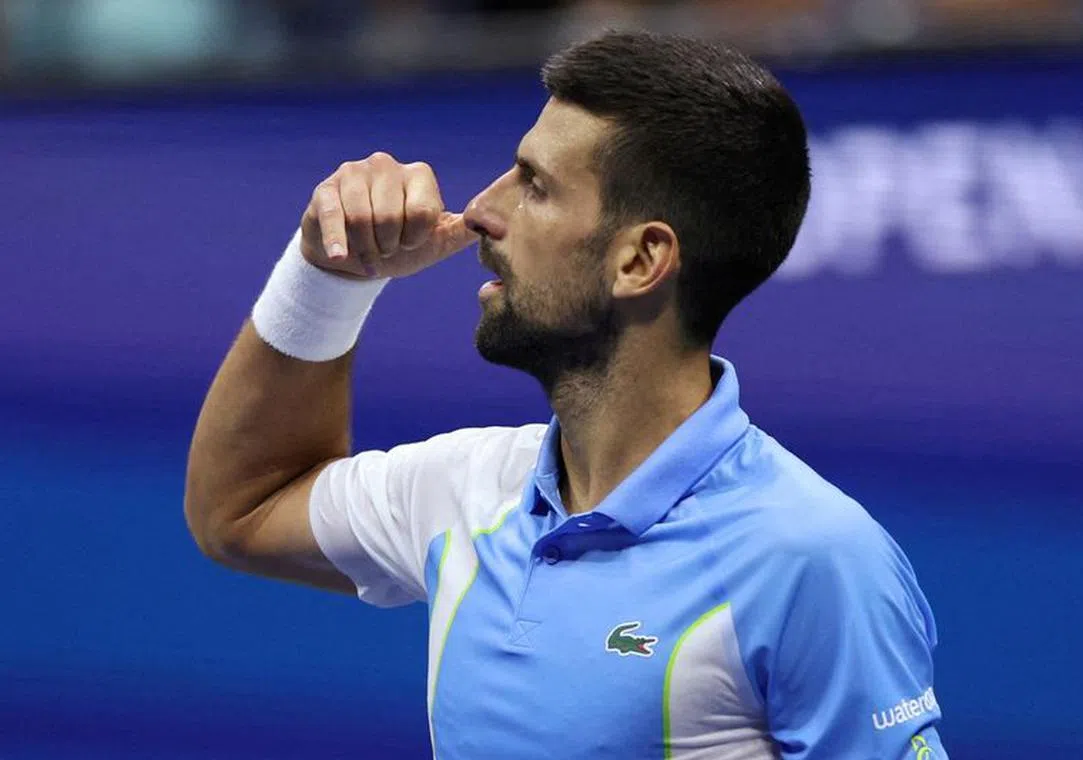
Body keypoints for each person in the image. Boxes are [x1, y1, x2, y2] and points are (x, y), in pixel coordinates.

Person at [185, 30, 947, 759]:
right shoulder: (466, 491)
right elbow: (240, 510)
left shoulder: (812, 558)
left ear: (641, 259)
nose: (484, 208)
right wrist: (330, 276)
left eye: (536, 186)